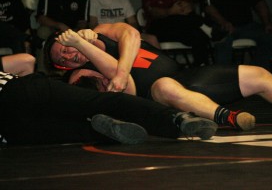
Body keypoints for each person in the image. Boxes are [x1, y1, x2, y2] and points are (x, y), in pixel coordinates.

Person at [46, 23, 272, 133]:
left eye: (66, 47)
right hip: (155, 100)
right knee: (165, 86)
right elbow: (125, 88)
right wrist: (82, 44)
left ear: (69, 35)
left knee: (258, 74)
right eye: (63, 59)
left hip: (187, 77)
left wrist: (87, 42)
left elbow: (131, 35)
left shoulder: (102, 31)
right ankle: (227, 117)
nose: (69, 57)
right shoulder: (79, 74)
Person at [0, 53, 218, 146]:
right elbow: (26, 61)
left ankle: (176, 119)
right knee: (96, 105)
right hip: (14, 105)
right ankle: (173, 121)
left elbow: (27, 61)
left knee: (77, 124)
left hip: (11, 115)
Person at [199, 0, 272, 69]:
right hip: (221, 25)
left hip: (247, 25)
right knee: (223, 41)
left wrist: (268, 23)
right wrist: (223, 22)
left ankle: (256, 70)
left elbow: (259, 3)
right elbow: (208, 7)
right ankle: (224, 76)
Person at [141, 0, 211, 66]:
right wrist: (170, 11)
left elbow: (191, 7)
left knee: (195, 32)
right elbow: (153, 12)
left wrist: (187, 7)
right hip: (161, 27)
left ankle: (200, 64)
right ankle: (206, 28)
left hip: (183, 28)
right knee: (182, 21)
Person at [89, 0, 161, 48]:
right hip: (104, 34)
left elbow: (133, 22)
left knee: (152, 39)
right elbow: (93, 24)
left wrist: (129, 32)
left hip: (123, 32)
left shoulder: (123, 0)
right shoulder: (93, 0)